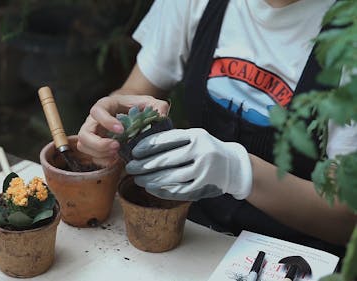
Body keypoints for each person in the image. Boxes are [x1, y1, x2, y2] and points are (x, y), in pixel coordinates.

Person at [76, 0, 357, 256]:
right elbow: (134, 91)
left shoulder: (349, 36)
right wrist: (112, 120)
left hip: (294, 254)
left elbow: (346, 218)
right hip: (192, 235)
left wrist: (238, 171)